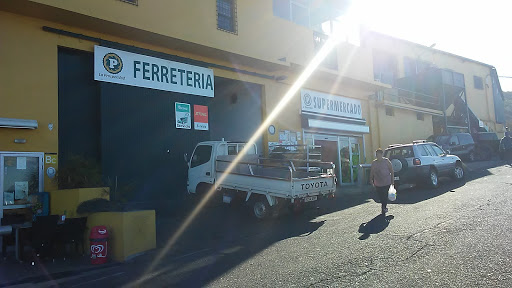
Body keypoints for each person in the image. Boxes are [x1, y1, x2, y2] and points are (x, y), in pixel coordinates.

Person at [370, 148, 394, 215]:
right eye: (377, 155)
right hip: (378, 183)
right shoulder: (374, 163)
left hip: (386, 182)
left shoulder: (386, 161)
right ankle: (383, 206)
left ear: (382, 154)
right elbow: (371, 172)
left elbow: (391, 171)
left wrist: (392, 181)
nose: (378, 156)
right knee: (380, 196)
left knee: (385, 195)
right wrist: (371, 180)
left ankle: (384, 208)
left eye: (379, 154)